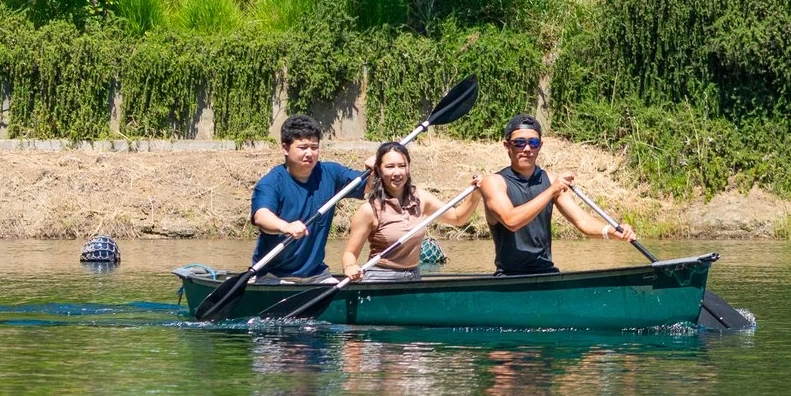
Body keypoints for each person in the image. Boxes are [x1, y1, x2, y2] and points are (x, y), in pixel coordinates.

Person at [474, 115, 634, 276]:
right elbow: (511, 220)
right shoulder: (493, 182)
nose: (527, 149)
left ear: (540, 146)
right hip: (510, 276)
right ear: (507, 146)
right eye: (519, 142)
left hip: (546, 273)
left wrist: (611, 231)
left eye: (533, 143)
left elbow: (582, 221)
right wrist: (551, 191)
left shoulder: (550, 180)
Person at [248, 115, 364, 280]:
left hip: (317, 276)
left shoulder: (331, 173)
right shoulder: (271, 183)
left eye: (314, 147)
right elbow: (261, 216)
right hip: (273, 276)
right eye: (303, 147)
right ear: (285, 148)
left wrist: (376, 167)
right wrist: (285, 226)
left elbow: (368, 185)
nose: (310, 153)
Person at [342, 140, 477, 281]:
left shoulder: (421, 198)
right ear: (379, 171)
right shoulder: (369, 210)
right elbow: (349, 253)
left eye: (402, 166)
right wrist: (350, 267)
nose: (397, 172)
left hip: (413, 277)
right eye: (389, 167)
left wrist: (476, 194)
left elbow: (457, 218)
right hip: (381, 278)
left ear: (408, 167)